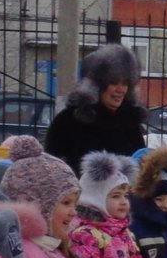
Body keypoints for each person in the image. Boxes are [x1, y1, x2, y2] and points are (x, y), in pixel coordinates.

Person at [44, 43, 147, 171]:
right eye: (114, 82)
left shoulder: (130, 121)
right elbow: (52, 167)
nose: (121, 89)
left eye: (125, 83)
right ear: (98, 84)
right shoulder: (69, 120)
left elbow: (139, 162)